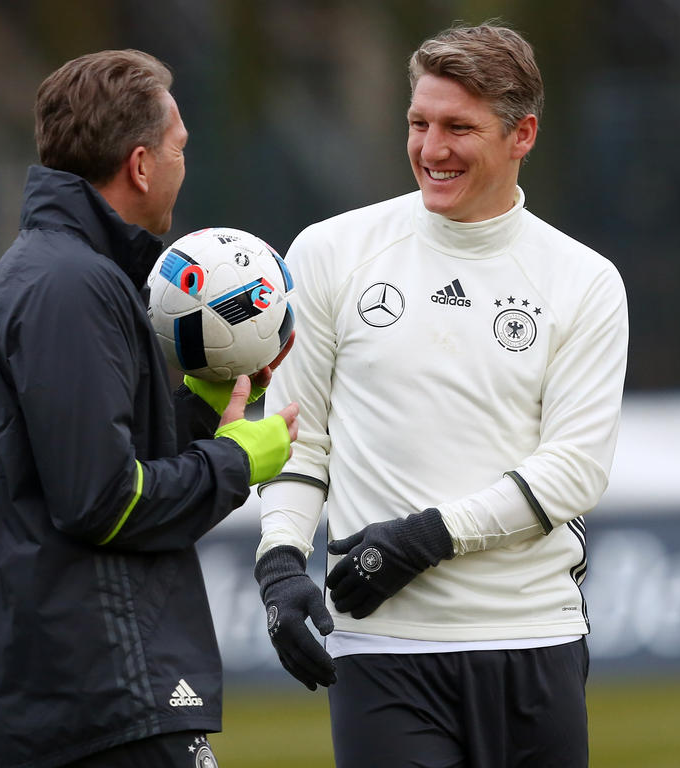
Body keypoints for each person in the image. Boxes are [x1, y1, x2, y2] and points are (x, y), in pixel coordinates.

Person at [253, 22, 628, 768]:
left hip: (534, 637)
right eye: (418, 123)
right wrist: (280, 563)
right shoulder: (329, 252)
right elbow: (300, 436)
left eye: (459, 127)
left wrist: (422, 539)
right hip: (382, 647)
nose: (431, 149)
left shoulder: (583, 279)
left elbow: (574, 470)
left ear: (522, 134)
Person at [0, 49, 298, 768]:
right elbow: (105, 501)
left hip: (47, 699)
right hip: (106, 702)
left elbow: (66, 473)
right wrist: (237, 462)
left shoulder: (10, 284)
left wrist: (203, 414)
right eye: (178, 149)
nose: (182, 165)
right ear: (140, 165)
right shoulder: (71, 289)